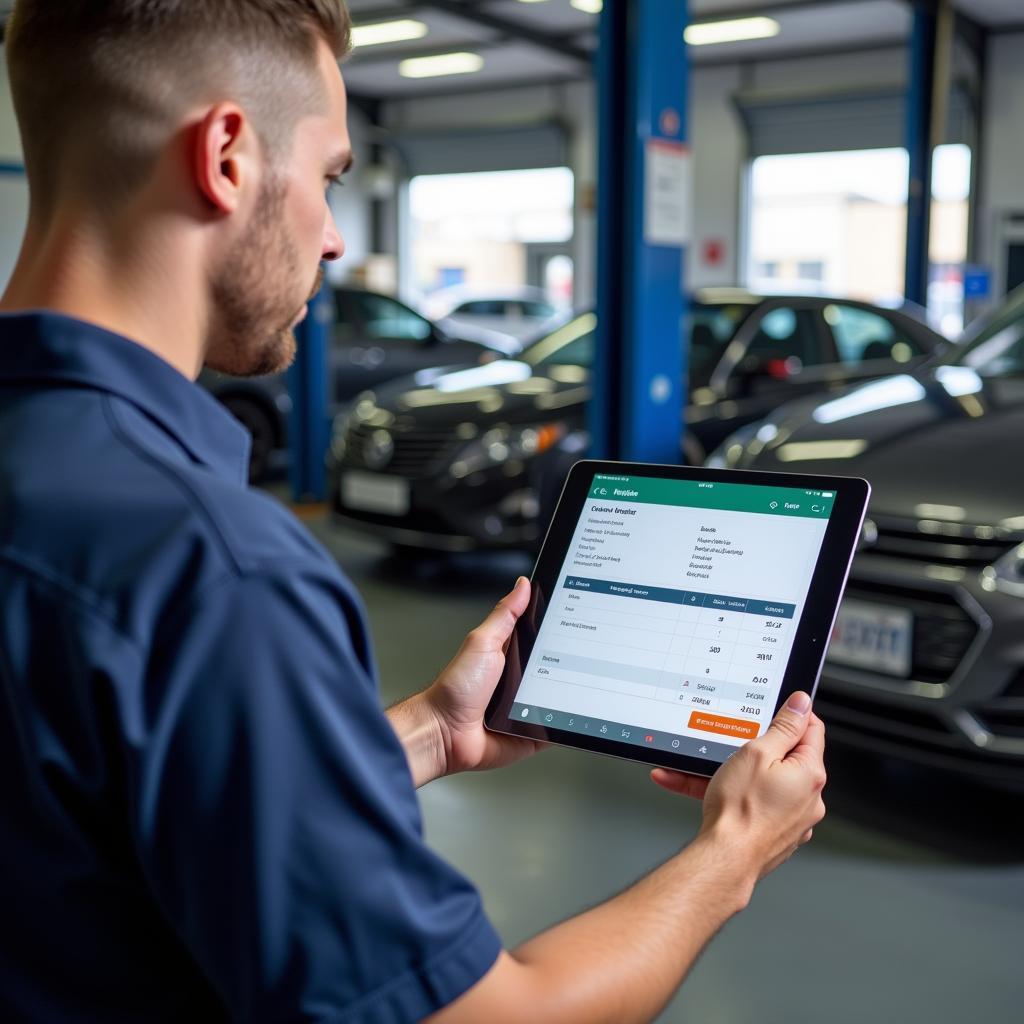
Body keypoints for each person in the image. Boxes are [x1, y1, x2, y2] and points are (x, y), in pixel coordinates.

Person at [0, 2, 827, 1021]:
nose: (336, 238)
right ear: (226, 157)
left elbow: (106, 813)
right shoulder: (211, 570)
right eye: (331, 176)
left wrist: (431, 731)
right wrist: (733, 852)